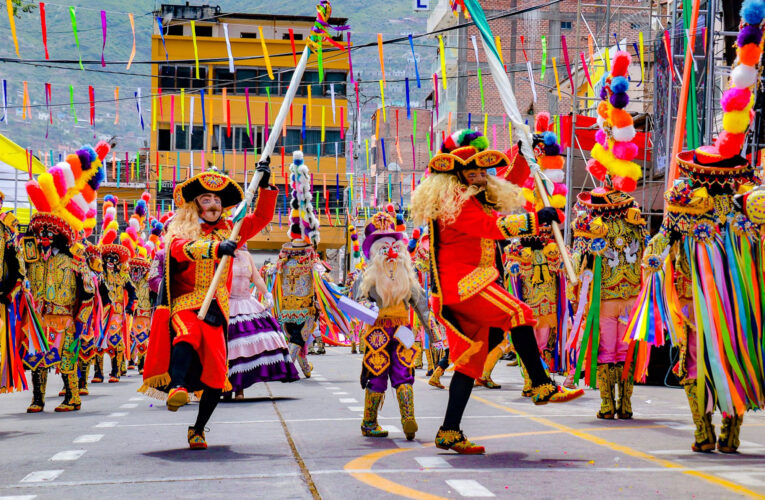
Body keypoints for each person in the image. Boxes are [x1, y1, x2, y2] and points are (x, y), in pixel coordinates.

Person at [629, 2, 765, 452]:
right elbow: (665, 234)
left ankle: (727, 428)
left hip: (733, 297)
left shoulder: (748, 201)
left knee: (728, 356)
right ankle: (706, 427)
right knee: (701, 357)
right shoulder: (694, 197)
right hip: (690, 291)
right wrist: (654, 258)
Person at [410, 130, 582, 454]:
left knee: (469, 364)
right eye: (472, 171)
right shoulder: (453, 201)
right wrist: (535, 220)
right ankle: (542, 385)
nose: (480, 176)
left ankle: (449, 431)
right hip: (464, 286)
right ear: (456, 174)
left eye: (481, 170)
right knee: (519, 312)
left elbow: (507, 180)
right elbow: (491, 228)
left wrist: (525, 152)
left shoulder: (472, 193)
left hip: (473, 283)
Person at [140, 162, 277, 450]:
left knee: (217, 372)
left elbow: (263, 215)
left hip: (217, 308)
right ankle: (177, 387)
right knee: (187, 335)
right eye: (206, 199)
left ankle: (198, 428)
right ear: (195, 204)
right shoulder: (181, 228)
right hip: (186, 304)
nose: (213, 203)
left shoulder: (233, 229)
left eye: (217, 199)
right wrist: (216, 248)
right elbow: (179, 250)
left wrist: (266, 184)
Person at [569, 51, 647, 421]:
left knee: (622, 349)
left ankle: (621, 402)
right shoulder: (602, 215)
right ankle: (611, 402)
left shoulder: (626, 215)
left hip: (625, 292)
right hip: (616, 292)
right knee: (612, 349)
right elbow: (582, 251)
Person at [22, 142, 108, 412]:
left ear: (58, 235)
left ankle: (72, 396)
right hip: (40, 318)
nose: (44, 237)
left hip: (67, 319)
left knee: (68, 359)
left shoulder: (74, 259)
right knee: (38, 359)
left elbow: (88, 291)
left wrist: (81, 321)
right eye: (41, 233)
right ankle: (38, 399)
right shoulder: (32, 259)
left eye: (49, 233)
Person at [356, 212, 430, 440]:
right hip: (377, 332)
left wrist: (433, 331)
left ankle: (408, 418)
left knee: (404, 373)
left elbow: (421, 305)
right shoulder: (367, 278)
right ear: (375, 252)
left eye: (394, 247)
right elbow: (359, 301)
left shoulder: (407, 277)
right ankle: (369, 422)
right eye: (384, 248)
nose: (390, 253)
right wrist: (367, 307)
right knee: (377, 375)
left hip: (403, 331)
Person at [273, 151, 321, 378]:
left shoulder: (284, 253)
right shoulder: (310, 253)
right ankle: (287, 366)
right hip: (306, 303)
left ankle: (305, 367)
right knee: (300, 337)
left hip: (285, 304)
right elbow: (320, 274)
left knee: (295, 336)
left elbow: (273, 274)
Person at [226, 248, 299, 399]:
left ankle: (240, 388)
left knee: (257, 341)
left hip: (247, 303)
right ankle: (225, 387)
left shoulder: (246, 255)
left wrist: (267, 293)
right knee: (233, 347)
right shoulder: (221, 254)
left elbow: (256, 277)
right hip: (227, 304)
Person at [97, 198, 137, 384]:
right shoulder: (100, 276)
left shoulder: (122, 276)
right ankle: (98, 372)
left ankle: (114, 370)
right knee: (97, 341)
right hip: (99, 313)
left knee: (114, 340)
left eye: (114, 258)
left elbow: (133, 291)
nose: (111, 261)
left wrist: (129, 307)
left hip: (117, 313)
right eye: (108, 259)